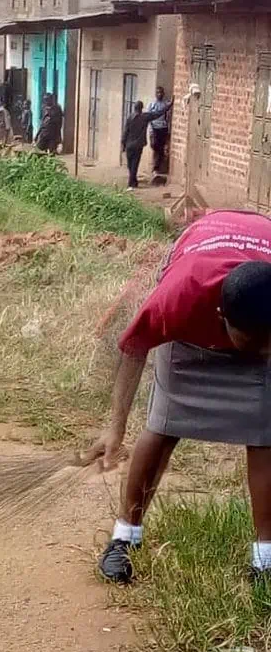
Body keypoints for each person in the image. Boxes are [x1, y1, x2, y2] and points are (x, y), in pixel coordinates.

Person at [87, 210, 271, 584]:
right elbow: (134, 349)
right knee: (164, 423)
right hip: (196, 303)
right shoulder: (179, 298)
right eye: (253, 344)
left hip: (255, 261)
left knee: (264, 431)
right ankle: (124, 538)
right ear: (220, 317)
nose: (263, 351)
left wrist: (259, 346)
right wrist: (115, 429)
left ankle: (265, 560)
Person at [121, 100, 150, 189]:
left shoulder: (130, 117)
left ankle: (133, 181)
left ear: (134, 108)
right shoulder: (145, 117)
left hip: (129, 145)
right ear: (141, 108)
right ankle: (131, 181)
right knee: (135, 164)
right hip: (138, 145)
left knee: (130, 164)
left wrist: (123, 144)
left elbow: (125, 131)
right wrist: (168, 106)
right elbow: (157, 113)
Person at [146, 85, 172, 179]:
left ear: (163, 94)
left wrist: (168, 129)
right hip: (155, 129)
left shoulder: (165, 104)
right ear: (155, 94)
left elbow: (168, 117)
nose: (159, 94)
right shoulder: (152, 104)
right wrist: (151, 131)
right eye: (158, 92)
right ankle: (154, 169)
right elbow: (148, 117)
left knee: (161, 149)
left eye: (161, 92)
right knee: (155, 148)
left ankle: (157, 169)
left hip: (163, 128)